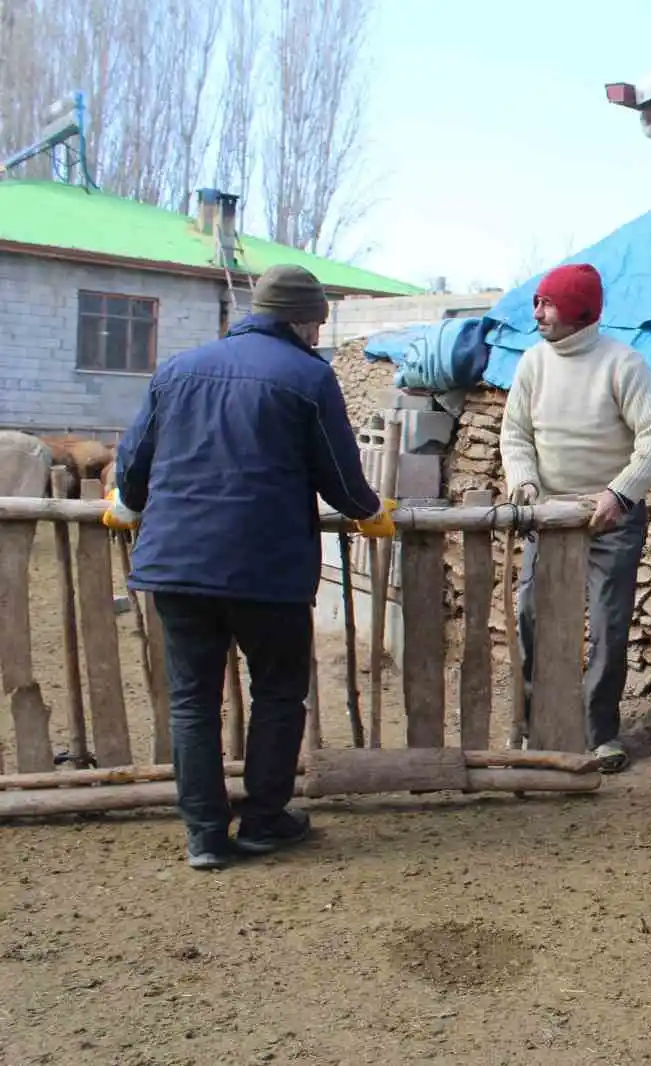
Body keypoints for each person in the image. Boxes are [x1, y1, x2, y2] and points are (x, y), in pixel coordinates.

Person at [106, 264, 396, 871]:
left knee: (191, 702)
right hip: (266, 568)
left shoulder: (178, 369)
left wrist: (129, 508)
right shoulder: (309, 378)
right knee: (279, 693)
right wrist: (371, 511)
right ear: (301, 318)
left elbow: (134, 459)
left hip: (177, 566)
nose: (319, 332)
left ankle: (205, 836)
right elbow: (340, 476)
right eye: (317, 320)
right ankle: (264, 821)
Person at [499, 263, 651, 772]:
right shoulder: (533, 363)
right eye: (536, 302)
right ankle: (539, 725)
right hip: (549, 513)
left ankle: (601, 732)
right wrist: (526, 487)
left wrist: (620, 494)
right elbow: (515, 436)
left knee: (607, 623)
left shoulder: (623, 364)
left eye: (548, 303)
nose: (538, 312)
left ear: (579, 309)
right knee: (533, 613)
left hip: (609, 516)